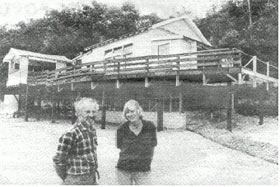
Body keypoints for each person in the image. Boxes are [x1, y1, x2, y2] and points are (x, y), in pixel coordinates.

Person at [53, 97, 100, 185]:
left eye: (94, 111)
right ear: (78, 113)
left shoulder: (92, 130)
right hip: (75, 180)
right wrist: (69, 178)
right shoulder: (71, 133)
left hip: (91, 178)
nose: (91, 115)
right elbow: (59, 160)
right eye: (87, 112)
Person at [116, 100, 157, 185]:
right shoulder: (121, 129)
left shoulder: (150, 126)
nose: (130, 114)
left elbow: (153, 145)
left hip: (143, 169)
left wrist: (147, 161)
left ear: (138, 111)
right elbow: (120, 146)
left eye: (132, 111)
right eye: (127, 112)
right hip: (124, 169)